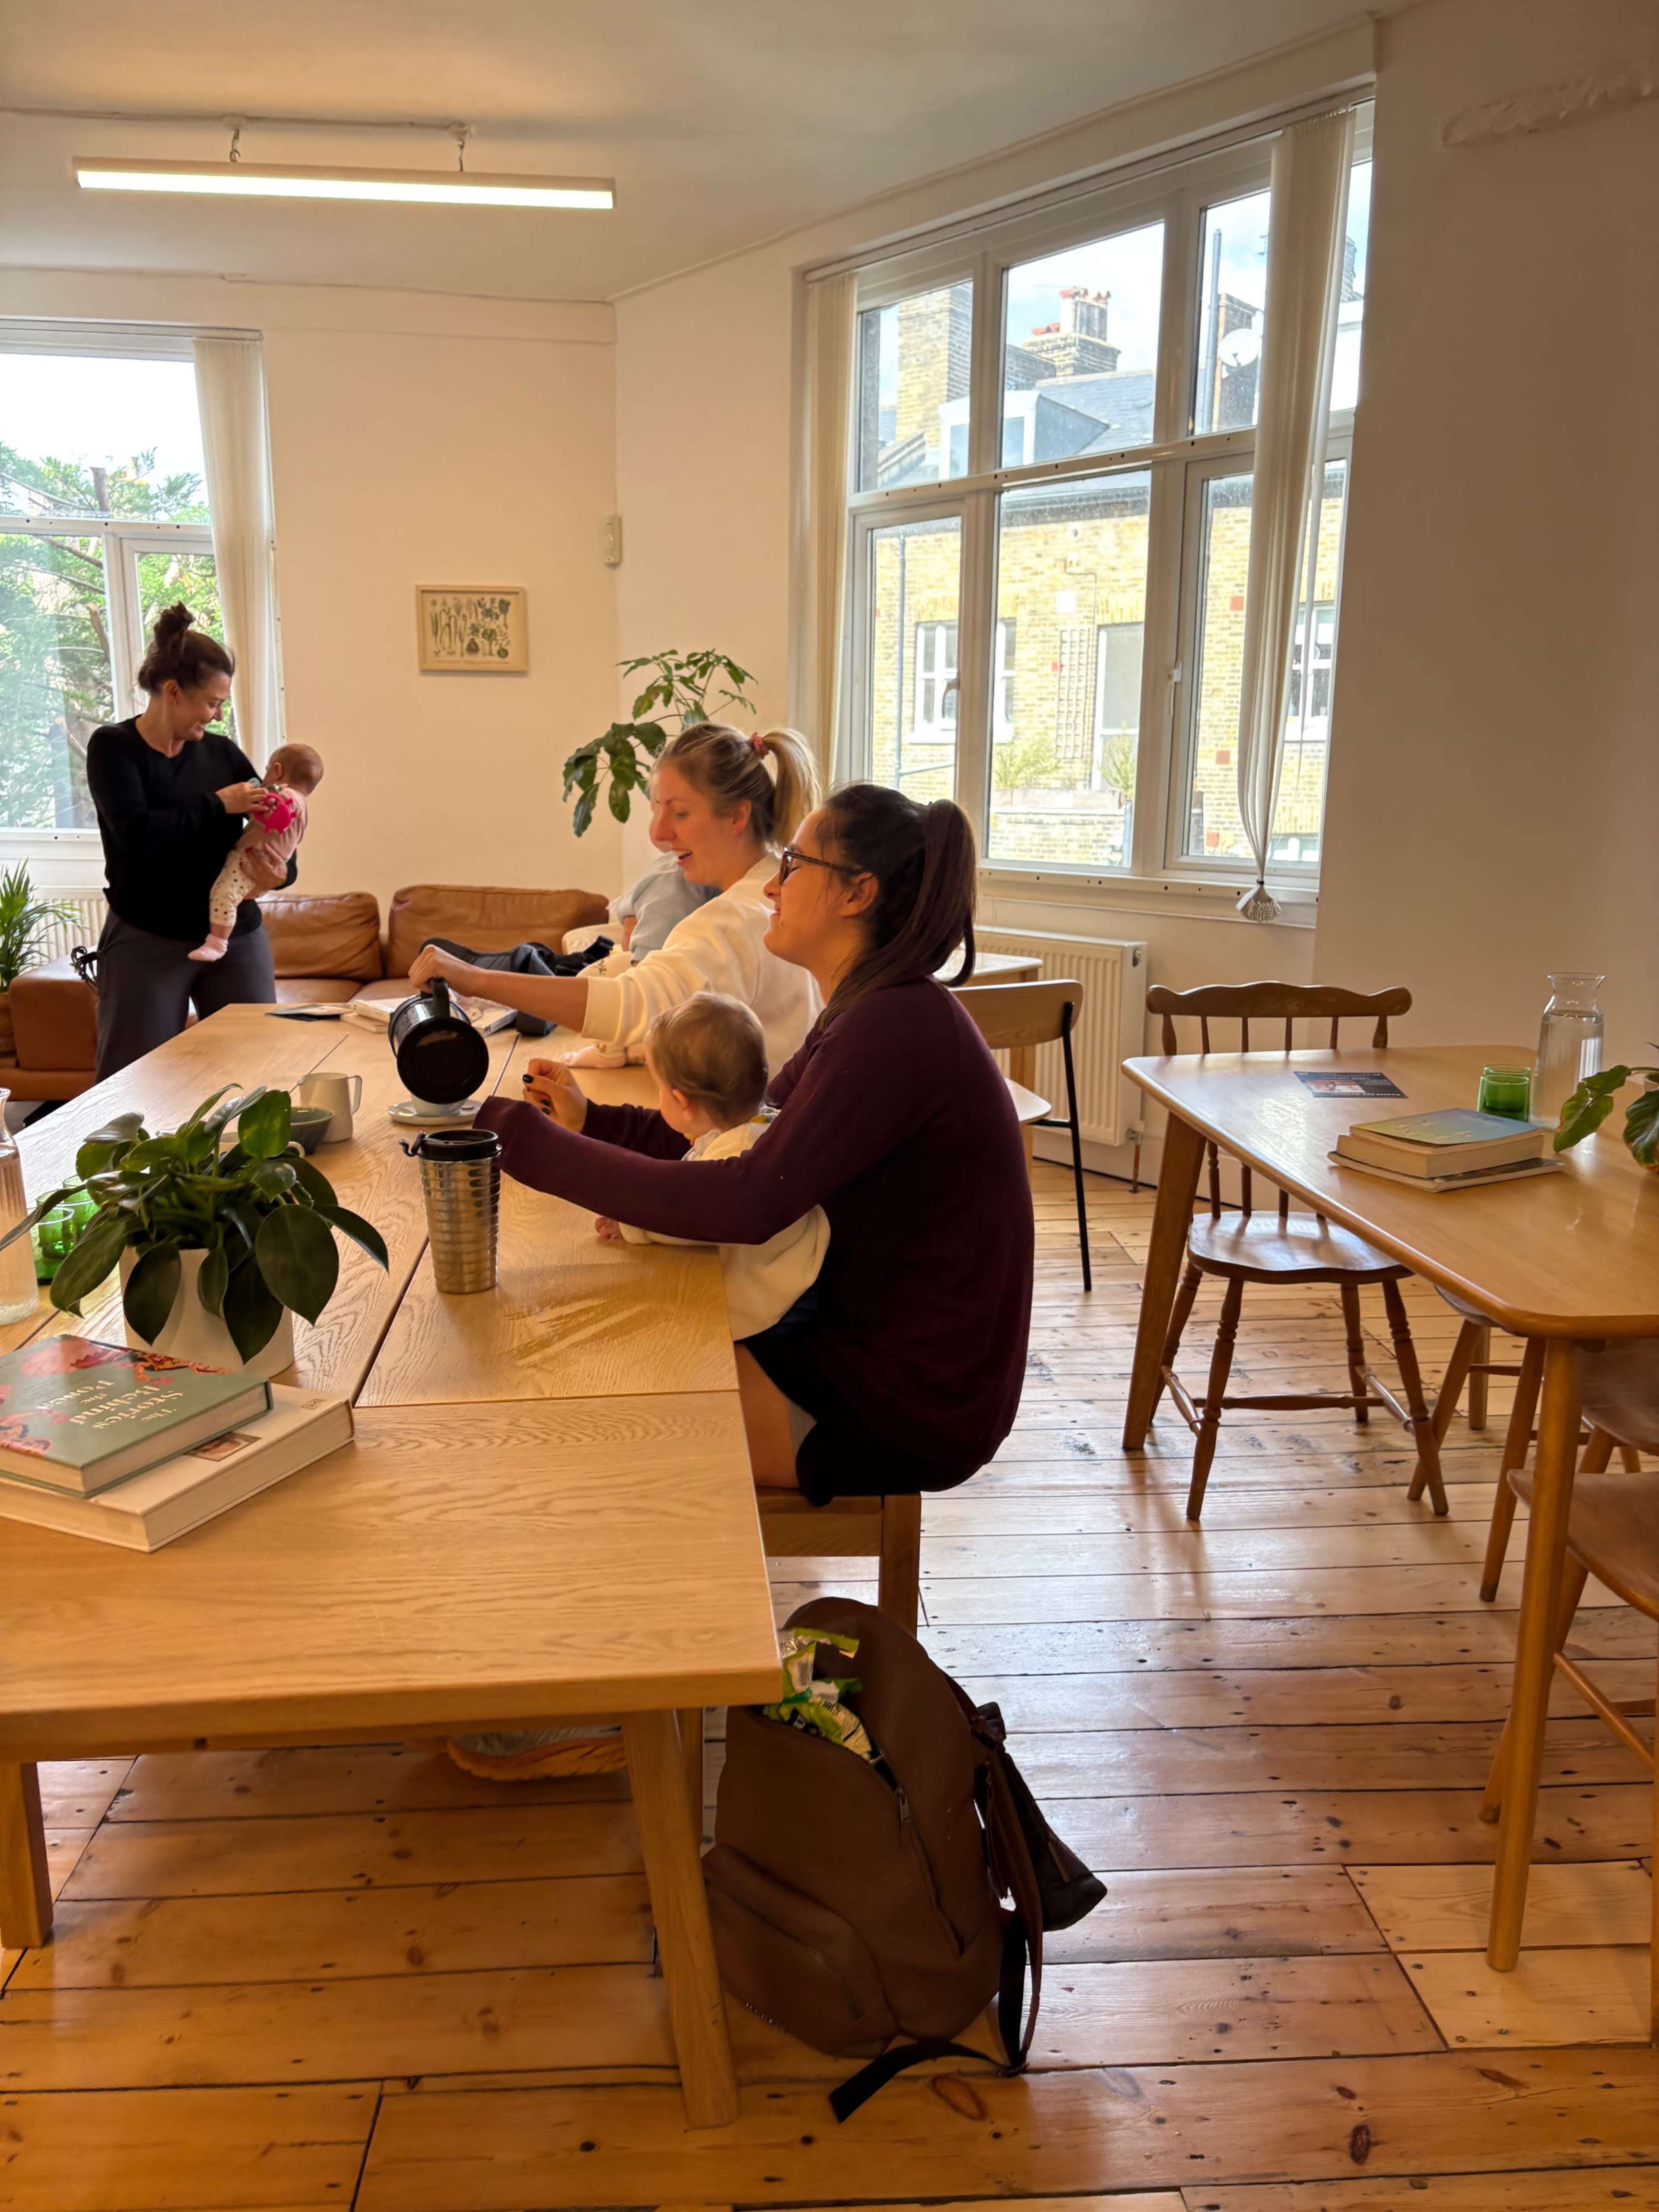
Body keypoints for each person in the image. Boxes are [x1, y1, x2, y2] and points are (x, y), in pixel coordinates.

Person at [474, 783, 1035, 1503]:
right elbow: (738, 1127)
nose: (772, 883)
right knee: (612, 1357)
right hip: (855, 1340)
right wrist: (591, 1120)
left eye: (795, 864)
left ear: (856, 892)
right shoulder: (872, 1010)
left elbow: (743, 1198)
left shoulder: (895, 1028)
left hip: (909, 1397)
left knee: (603, 1422)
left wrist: (522, 1139)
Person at [407, 723, 821, 1073]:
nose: (658, 834)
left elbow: (634, 1006)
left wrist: (476, 978)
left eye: (679, 813)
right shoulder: (774, 891)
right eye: (656, 810)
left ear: (736, 816)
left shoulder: (735, 918)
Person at [84, 604, 295, 1079]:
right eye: (212, 702)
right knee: (131, 1083)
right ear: (173, 692)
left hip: (236, 938)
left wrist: (282, 872)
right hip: (148, 938)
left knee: (260, 1078)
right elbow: (138, 836)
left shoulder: (222, 753)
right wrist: (219, 805)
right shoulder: (114, 749)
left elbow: (276, 825)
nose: (218, 714)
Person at [598, 992, 828, 1340]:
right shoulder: (764, 1124)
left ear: (681, 1101)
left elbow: (691, 1220)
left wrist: (632, 1225)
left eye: (657, 1088)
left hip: (774, 1311)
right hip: (795, 1288)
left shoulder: (734, 1152)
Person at [191, 743, 323, 964]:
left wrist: (246, 800)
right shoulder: (303, 804)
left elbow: (278, 814)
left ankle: (217, 942)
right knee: (230, 895)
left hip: (251, 858)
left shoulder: (286, 794)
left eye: (268, 770)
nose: (263, 778)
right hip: (270, 863)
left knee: (224, 895)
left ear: (278, 771)